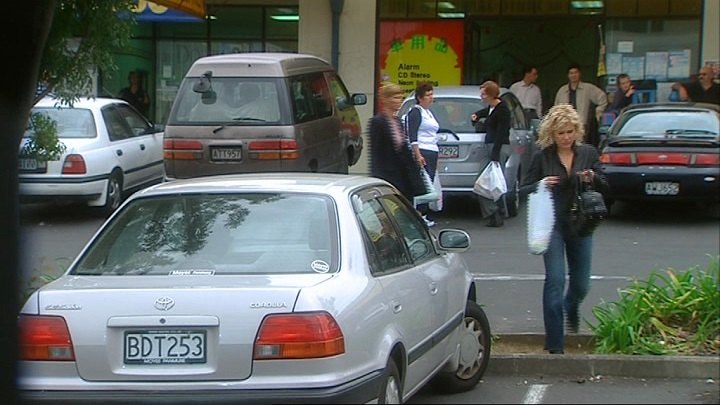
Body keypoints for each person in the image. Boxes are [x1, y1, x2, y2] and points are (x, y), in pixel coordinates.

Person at [520, 104, 609, 355]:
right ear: (552, 134)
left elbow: (607, 185)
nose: (566, 137)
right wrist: (541, 183)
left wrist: (592, 177)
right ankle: (555, 345)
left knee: (581, 285)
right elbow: (522, 189)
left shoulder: (588, 153)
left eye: (570, 132)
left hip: (582, 223)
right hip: (552, 225)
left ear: (577, 131)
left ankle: (572, 305)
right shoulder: (543, 157)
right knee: (555, 280)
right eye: (561, 133)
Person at [369, 81, 424, 203]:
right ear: (386, 99)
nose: (399, 100)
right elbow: (376, 153)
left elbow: (403, 149)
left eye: (400, 97)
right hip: (387, 174)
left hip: (402, 174)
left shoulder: (398, 121)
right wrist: (377, 178)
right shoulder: (378, 122)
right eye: (395, 97)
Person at [471, 80, 511, 228]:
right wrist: (476, 115)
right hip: (491, 147)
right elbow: (486, 113)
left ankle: (495, 212)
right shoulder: (492, 108)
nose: (481, 97)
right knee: (487, 183)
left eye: (483, 94)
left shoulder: (503, 110)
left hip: (497, 148)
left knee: (490, 183)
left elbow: (502, 132)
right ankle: (498, 211)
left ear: (491, 95)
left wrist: (495, 154)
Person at [406, 81, 440, 227]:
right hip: (423, 150)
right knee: (423, 184)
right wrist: (417, 154)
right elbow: (412, 134)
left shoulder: (429, 113)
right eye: (428, 95)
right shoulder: (416, 111)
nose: (431, 98)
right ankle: (418, 214)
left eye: (432, 94)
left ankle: (424, 213)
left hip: (432, 150)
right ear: (419, 97)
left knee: (429, 182)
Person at [554, 64, 608, 148]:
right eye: (571, 73)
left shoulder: (587, 88)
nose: (573, 75)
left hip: (581, 125)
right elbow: (556, 109)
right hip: (565, 126)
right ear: (568, 75)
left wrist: (599, 111)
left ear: (579, 74)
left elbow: (602, 97)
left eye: (575, 72)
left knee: (580, 148)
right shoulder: (562, 90)